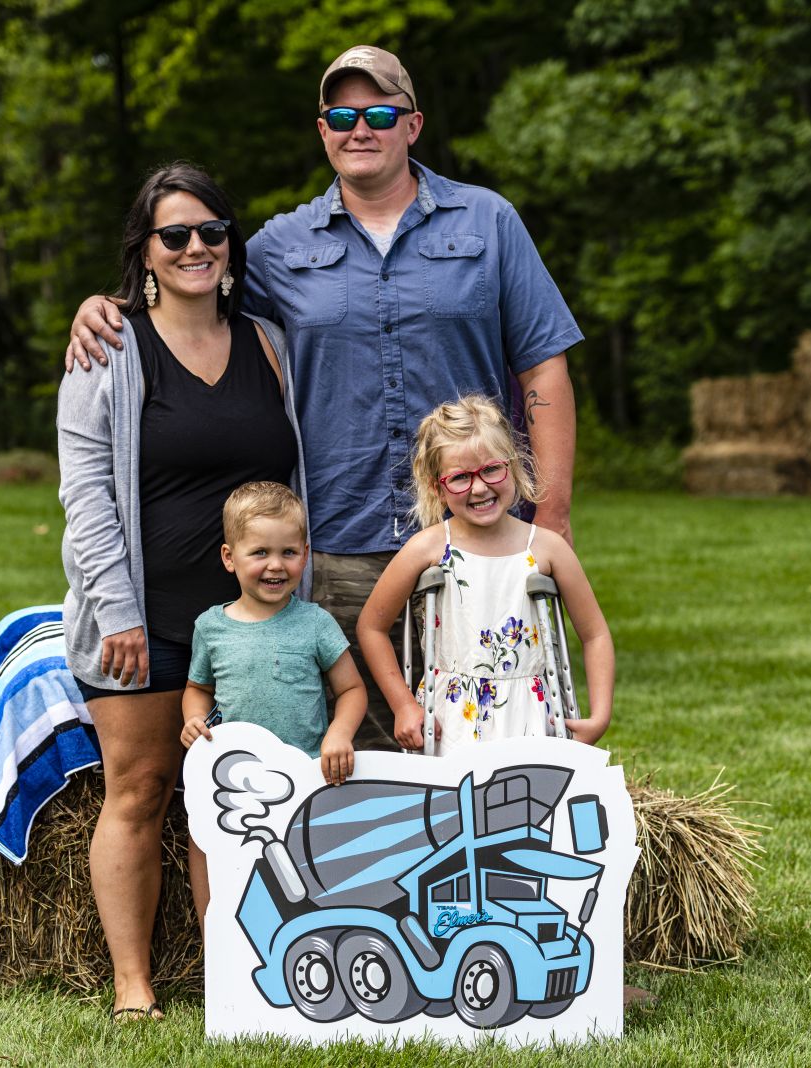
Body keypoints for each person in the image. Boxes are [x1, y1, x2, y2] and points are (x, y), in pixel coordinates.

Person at [65, 45, 584, 753]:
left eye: (379, 114)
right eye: (342, 116)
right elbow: (192, 294)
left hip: (478, 538)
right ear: (322, 131)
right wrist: (110, 305)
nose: (359, 129)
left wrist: (551, 515)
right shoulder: (279, 246)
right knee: (353, 766)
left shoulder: (489, 223)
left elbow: (544, 368)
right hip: (339, 546)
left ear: (413, 125)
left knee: (492, 744)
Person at [57, 162, 304, 1023]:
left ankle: (232, 977)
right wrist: (117, 611)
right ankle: (134, 985)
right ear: (146, 251)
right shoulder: (109, 347)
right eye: (175, 235)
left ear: (231, 244)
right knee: (141, 787)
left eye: (211, 231)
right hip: (146, 622)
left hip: (254, 626)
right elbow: (87, 493)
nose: (196, 246)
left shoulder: (269, 343)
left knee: (234, 798)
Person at [355, 396, 613, 755]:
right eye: (460, 477)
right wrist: (403, 705)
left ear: (514, 466)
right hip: (451, 719)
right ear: (437, 487)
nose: (479, 488)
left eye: (491, 470)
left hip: (529, 715)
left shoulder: (547, 548)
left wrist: (600, 715)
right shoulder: (428, 547)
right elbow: (372, 626)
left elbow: (595, 633)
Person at [179, 480, 367, 924]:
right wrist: (193, 720)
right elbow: (198, 688)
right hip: (233, 781)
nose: (276, 565)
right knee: (212, 852)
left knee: (299, 870)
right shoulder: (211, 627)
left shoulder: (315, 623)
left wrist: (339, 734)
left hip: (304, 776)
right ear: (230, 557)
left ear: (305, 554)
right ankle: (217, 944)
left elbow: (352, 690)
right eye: (260, 552)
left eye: (288, 552)